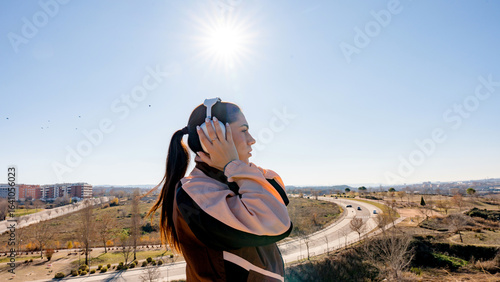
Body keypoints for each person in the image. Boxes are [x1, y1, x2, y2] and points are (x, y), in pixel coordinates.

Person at [148, 99, 292, 281]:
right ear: (212, 135)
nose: (252, 140)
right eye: (244, 130)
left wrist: (234, 168)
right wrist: (233, 165)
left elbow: (275, 188)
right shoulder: (194, 192)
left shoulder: (238, 177)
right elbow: (274, 220)